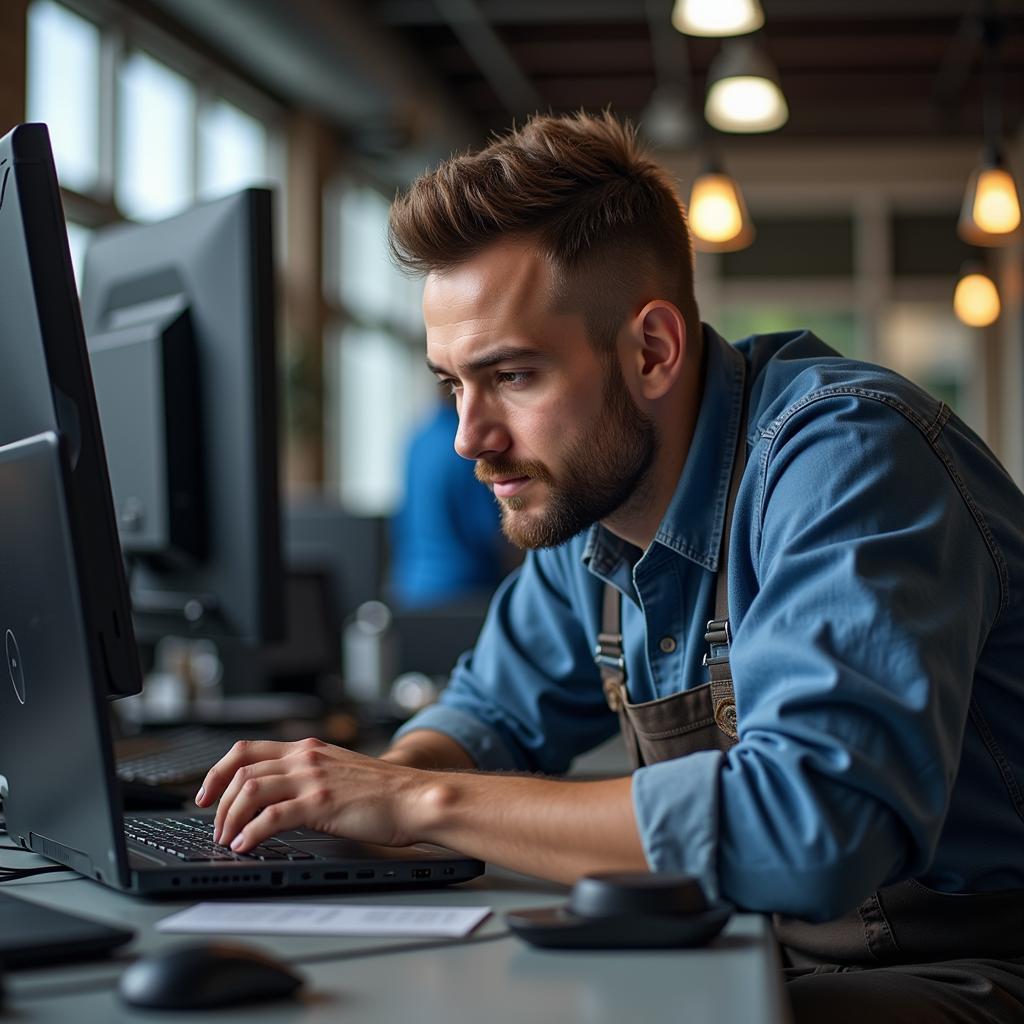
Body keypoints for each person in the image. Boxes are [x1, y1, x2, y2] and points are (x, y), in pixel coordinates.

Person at [196, 112, 1024, 1021]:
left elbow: (813, 825)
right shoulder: (588, 508)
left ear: (653, 350)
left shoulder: (850, 460)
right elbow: (487, 718)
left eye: (512, 376)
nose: (471, 438)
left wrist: (416, 800)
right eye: (451, 383)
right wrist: (360, 797)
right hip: (760, 950)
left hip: (972, 969)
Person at [389, 393, 510, 609]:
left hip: (411, 587)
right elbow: (488, 528)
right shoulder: (466, 451)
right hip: (465, 590)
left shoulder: (418, 439)